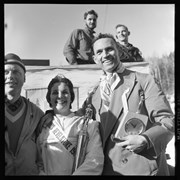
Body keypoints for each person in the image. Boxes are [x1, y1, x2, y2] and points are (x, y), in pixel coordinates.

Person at [78, 33, 174, 175]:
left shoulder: (144, 81)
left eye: (109, 49)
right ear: (95, 59)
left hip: (141, 169)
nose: (105, 55)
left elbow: (168, 122)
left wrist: (145, 139)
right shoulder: (93, 96)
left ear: (119, 51)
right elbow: (75, 119)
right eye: (99, 52)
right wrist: (49, 117)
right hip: (109, 171)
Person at [36, 74, 104, 175]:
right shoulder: (42, 126)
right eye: (55, 92)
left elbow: (95, 160)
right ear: (49, 98)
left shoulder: (87, 125)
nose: (60, 96)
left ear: (71, 96)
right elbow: (36, 162)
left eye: (65, 92)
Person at [5, 53, 44, 175]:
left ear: (24, 78)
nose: (10, 76)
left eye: (16, 72)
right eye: (5, 72)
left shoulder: (38, 114)